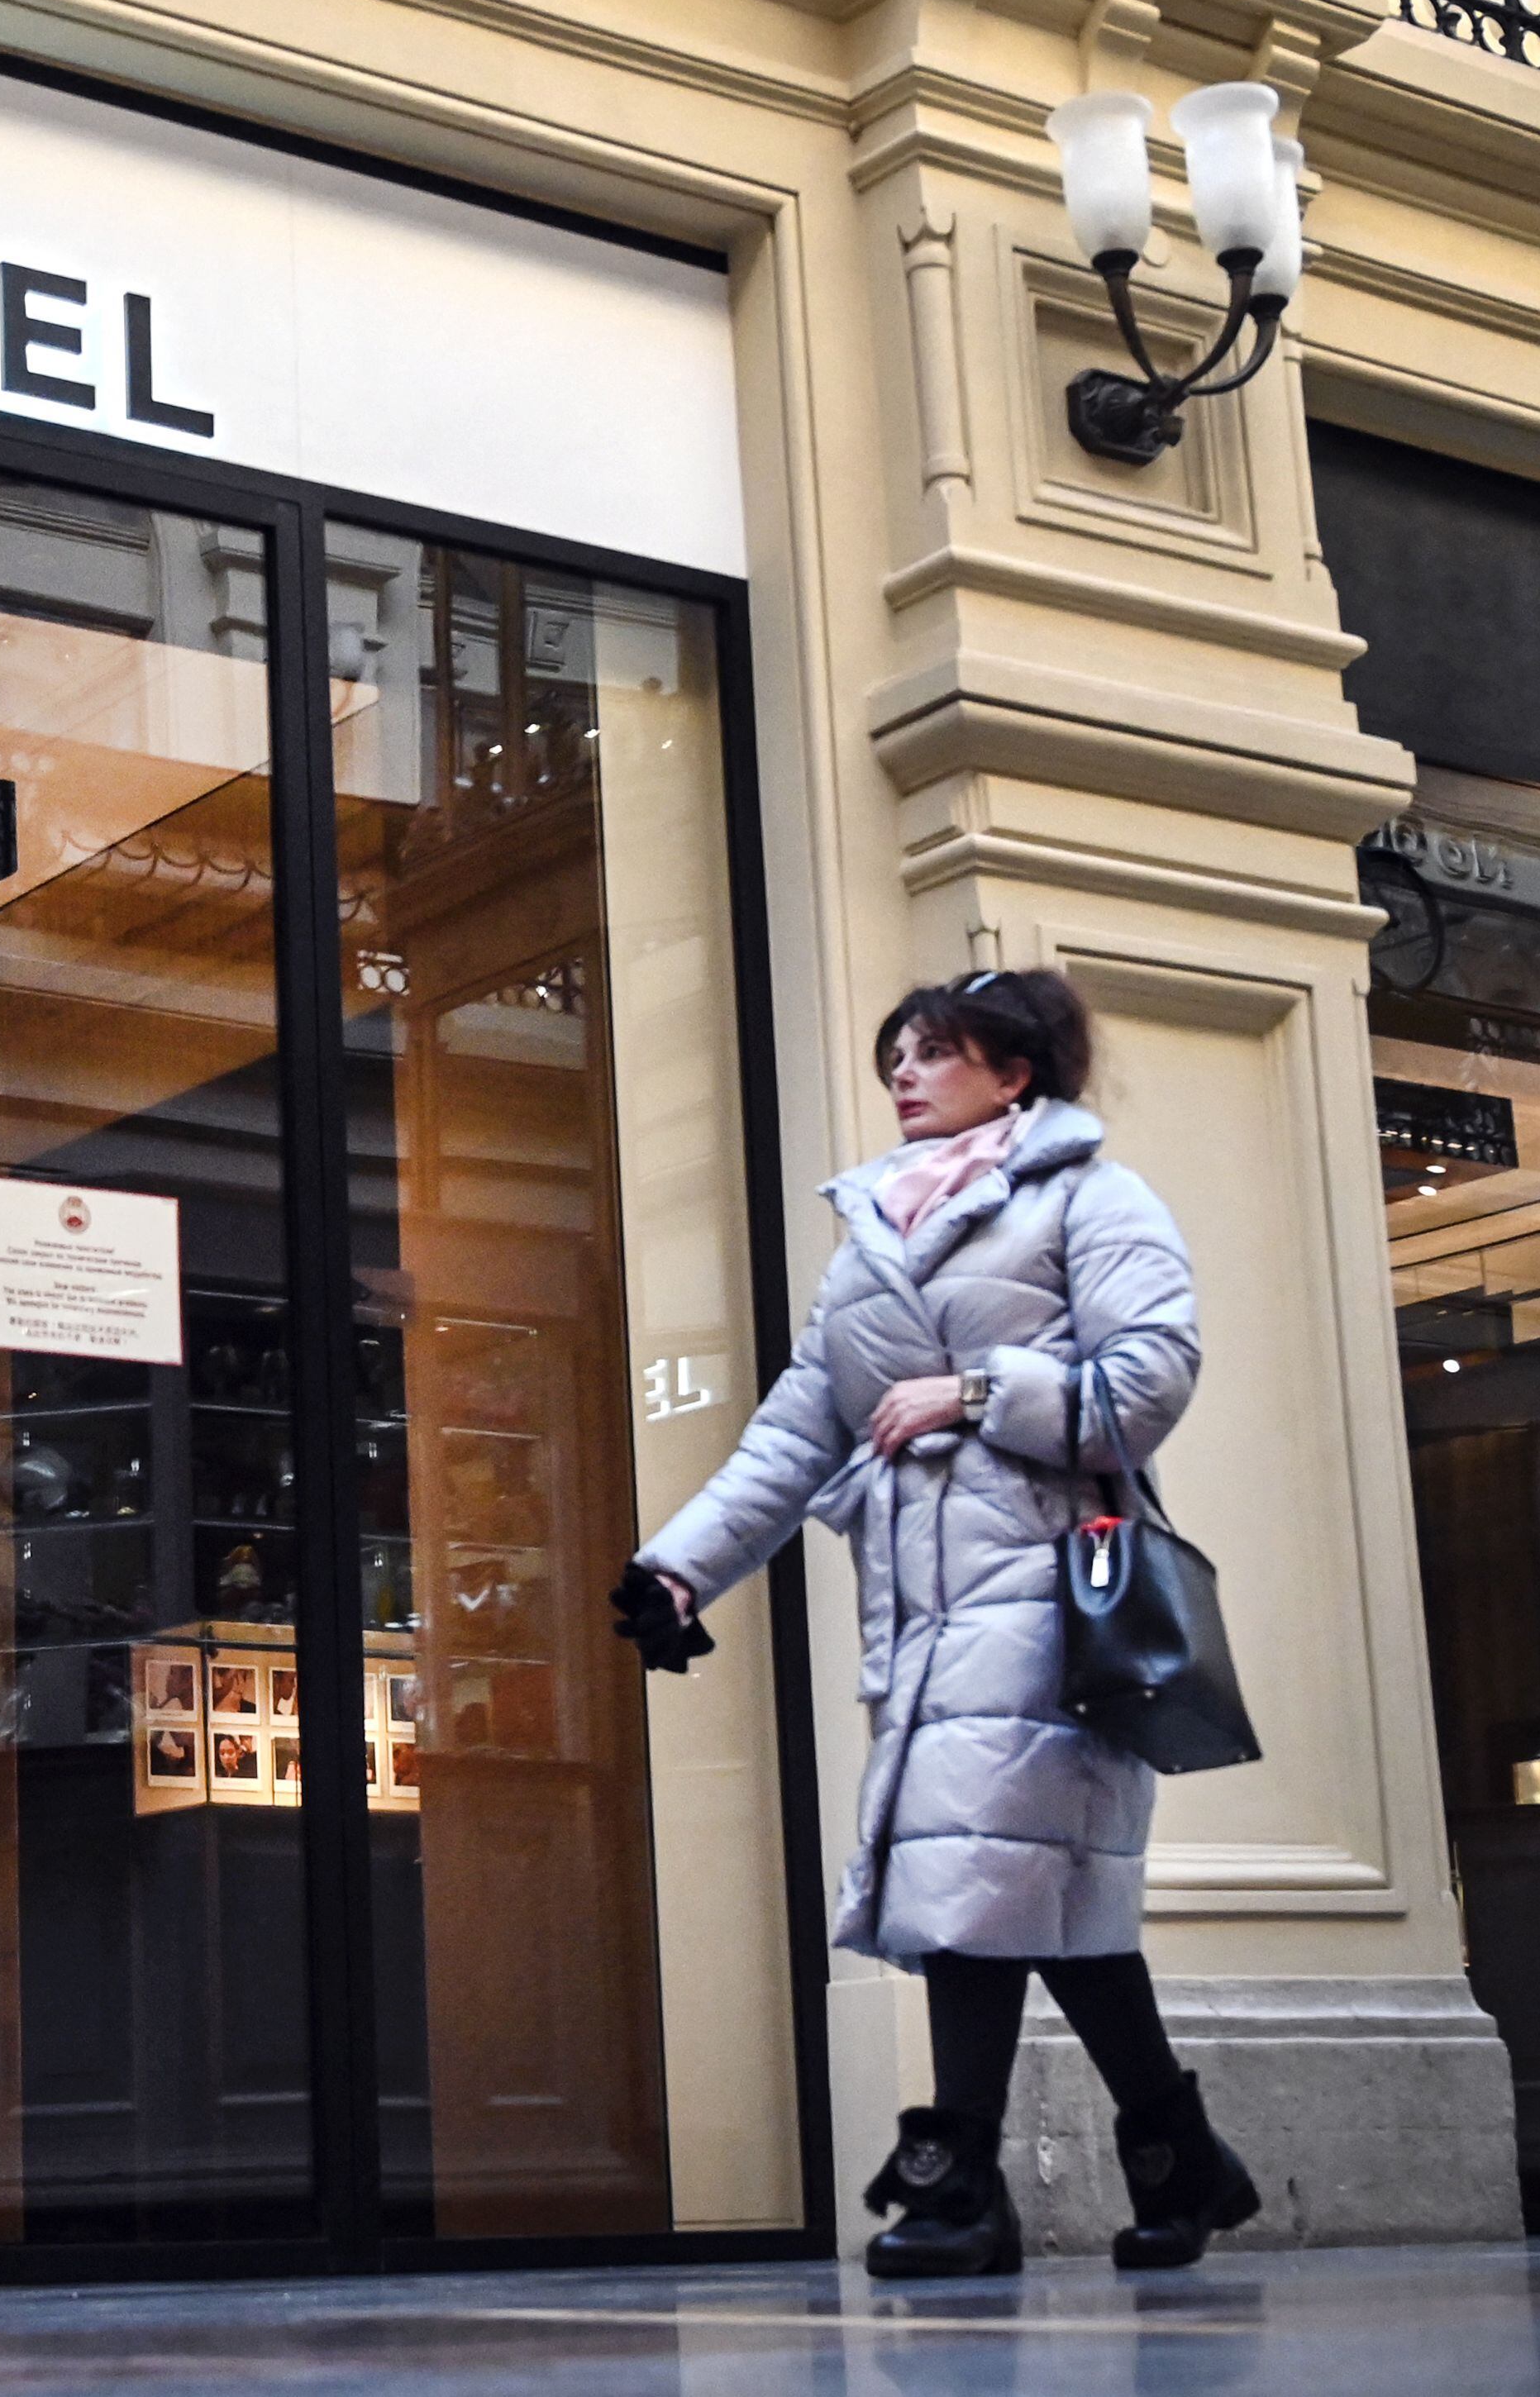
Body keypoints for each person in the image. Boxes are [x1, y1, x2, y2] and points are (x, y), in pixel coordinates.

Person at [613, 967, 1256, 2276]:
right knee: (1030, 1892)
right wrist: (679, 1565)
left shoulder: (1093, 1197)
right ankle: (1179, 2157)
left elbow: (1150, 1377)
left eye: (934, 1051)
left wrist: (974, 1388)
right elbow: (796, 1433)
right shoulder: (868, 1246)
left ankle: (959, 2188)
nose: (904, 1072)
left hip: (1049, 1603)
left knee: (977, 1886)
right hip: (922, 1617)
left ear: (1014, 1073)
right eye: (895, 1053)